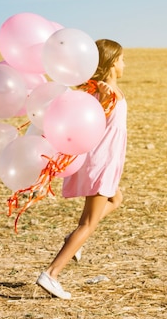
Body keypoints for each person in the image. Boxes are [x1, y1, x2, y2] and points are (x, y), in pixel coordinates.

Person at [36, 39, 127, 300]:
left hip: (104, 161)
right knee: (88, 223)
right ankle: (51, 273)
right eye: (121, 59)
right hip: (101, 162)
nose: (125, 64)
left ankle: (72, 238)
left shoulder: (103, 90)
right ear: (110, 63)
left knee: (116, 199)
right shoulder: (105, 92)